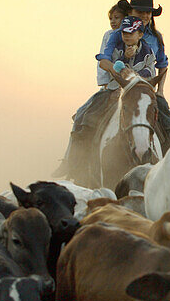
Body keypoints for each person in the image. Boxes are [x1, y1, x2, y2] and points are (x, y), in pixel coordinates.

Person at [56, 16, 158, 179]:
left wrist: (133, 76)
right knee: (83, 116)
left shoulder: (148, 51)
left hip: (140, 92)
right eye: (125, 32)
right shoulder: (115, 44)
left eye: (131, 33)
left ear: (140, 34)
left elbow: (150, 74)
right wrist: (121, 63)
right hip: (112, 90)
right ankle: (74, 166)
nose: (127, 36)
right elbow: (103, 61)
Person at [122, 0, 170, 150]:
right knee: (86, 118)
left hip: (147, 90)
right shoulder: (120, 34)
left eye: (148, 12)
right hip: (122, 88)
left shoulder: (156, 37)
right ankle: (75, 162)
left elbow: (162, 65)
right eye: (140, 11)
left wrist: (160, 90)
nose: (145, 15)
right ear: (130, 12)